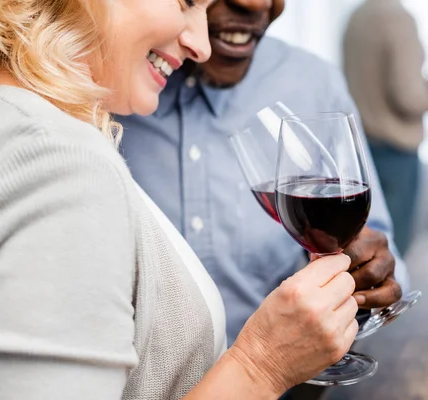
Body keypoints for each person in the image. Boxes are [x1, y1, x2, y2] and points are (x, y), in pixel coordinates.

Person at [0, 0, 362, 398]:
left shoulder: (13, 120)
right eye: (186, 2)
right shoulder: (61, 160)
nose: (201, 45)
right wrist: (261, 365)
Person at [116, 0, 407, 348]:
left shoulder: (313, 83)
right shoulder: (96, 86)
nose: (256, 3)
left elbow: (382, 252)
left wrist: (366, 272)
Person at [343, 0, 428, 256]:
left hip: (361, 148)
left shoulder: (357, 16)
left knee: (361, 248)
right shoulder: (398, 19)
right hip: (395, 152)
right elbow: (407, 97)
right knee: (391, 251)